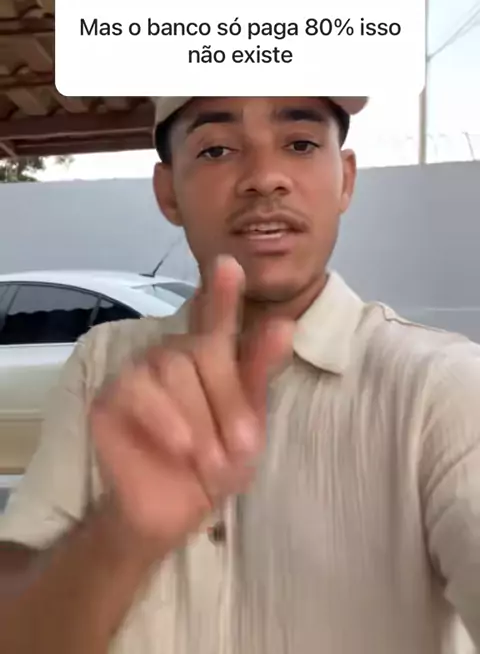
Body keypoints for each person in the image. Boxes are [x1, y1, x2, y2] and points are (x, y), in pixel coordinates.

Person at [0, 95, 479, 654]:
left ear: (345, 179)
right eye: (217, 150)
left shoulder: (443, 388)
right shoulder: (103, 365)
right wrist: (118, 535)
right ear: (168, 192)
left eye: (300, 143)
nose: (265, 178)